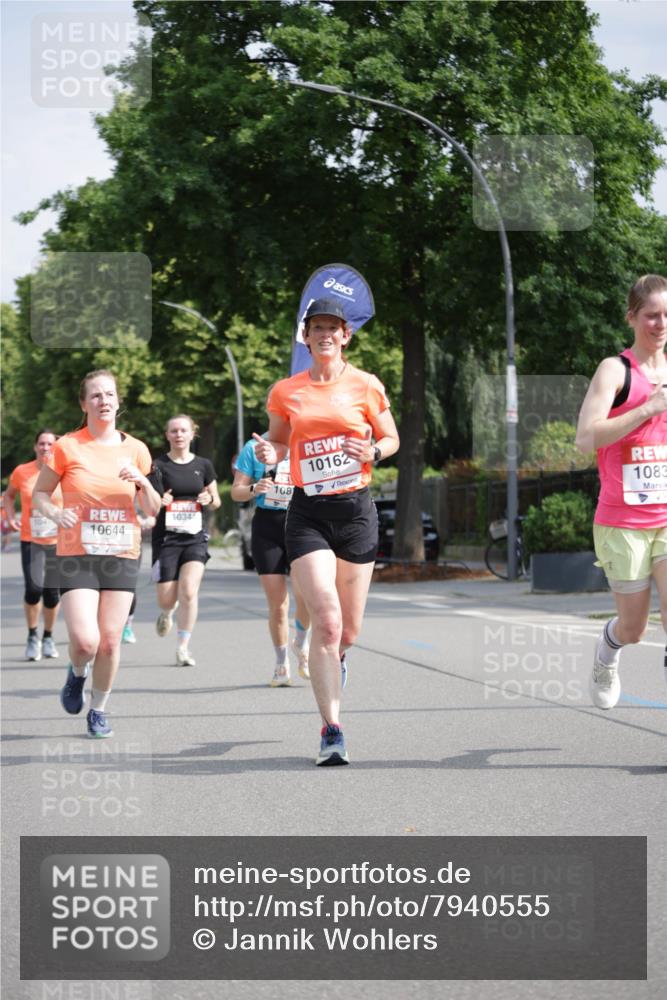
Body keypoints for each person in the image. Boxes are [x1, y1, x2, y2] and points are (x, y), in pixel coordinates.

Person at [255, 296, 399, 765]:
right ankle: (331, 729)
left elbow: (391, 438)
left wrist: (372, 453)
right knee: (328, 620)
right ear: (307, 335)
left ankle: (337, 658)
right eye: (316, 327)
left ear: (345, 335)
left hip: (356, 512)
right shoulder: (286, 391)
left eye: (332, 327)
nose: (325, 335)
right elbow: (277, 441)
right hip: (308, 514)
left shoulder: (366, 385)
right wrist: (271, 455)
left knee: (349, 632)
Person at [32, 370, 161, 738]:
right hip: (76, 553)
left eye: (109, 394)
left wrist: (143, 480)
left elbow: (152, 508)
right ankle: (76, 673)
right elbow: (40, 495)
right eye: (96, 396)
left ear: (119, 401)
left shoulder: (136, 449)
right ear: (84, 404)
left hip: (121, 552)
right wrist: (55, 512)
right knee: (86, 641)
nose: (104, 401)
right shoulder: (67, 446)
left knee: (109, 640)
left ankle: (99, 708)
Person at [576, 274, 667, 709]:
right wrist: (649, 407)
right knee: (635, 629)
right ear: (632, 317)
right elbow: (586, 439)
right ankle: (609, 648)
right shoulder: (616, 371)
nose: (661, 323)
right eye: (652, 315)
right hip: (623, 521)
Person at [232, 432, 311, 686]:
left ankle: (300, 641)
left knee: (306, 595)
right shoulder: (254, 447)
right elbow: (237, 492)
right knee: (278, 603)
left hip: (302, 524)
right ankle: (281, 663)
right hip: (268, 525)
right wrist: (255, 489)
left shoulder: (307, 440)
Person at [150, 414, 221, 666]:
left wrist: (208, 500)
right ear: (167, 435)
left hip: (195, 538)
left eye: (183, 431)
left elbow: (216, 501)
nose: (179, 435)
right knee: (166, 598)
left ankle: (183, 647)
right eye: (173, 431)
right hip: (166, 539)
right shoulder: (157, 466)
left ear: (193, 434)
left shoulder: (203, 465)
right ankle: (168, 612)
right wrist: (160, 501)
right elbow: (148, 503)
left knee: (189, 591)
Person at [5, 429, 62, 660]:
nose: (45, 448)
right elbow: (8, 496)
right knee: (33, 589)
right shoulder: (22, 471)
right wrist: (9, 518)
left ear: (56, 448)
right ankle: (32, 636)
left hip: (59, 542)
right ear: (35, 447)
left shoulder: (64, 472)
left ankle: (48, 637)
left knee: (52, 594)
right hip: (32, 540)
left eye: (50, 444)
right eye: (42, 444)